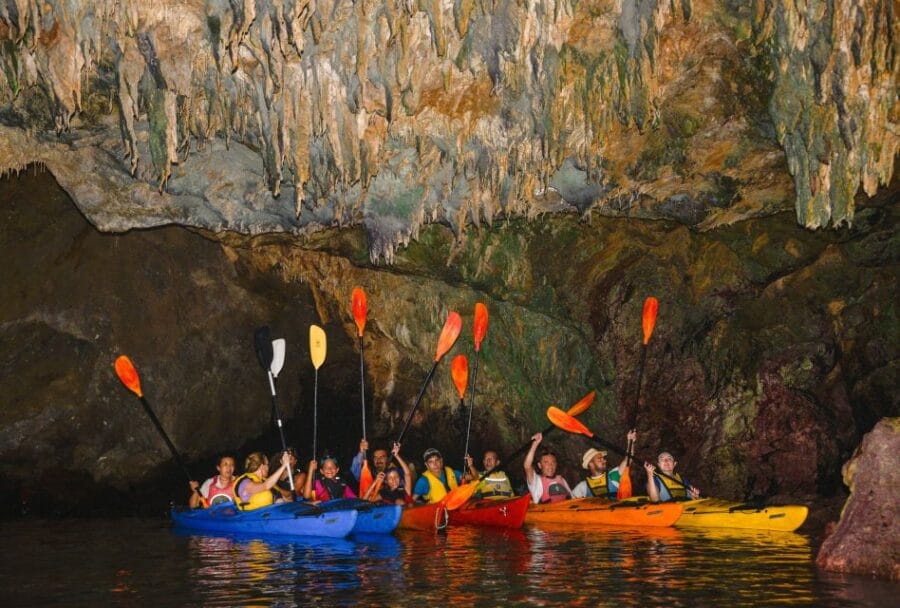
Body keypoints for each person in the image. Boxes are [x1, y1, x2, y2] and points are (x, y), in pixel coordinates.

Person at [571, 430, 637, 499]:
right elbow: (569, 503)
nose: (604, 460)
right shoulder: (582, 487)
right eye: (600, 458)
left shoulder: (613, 476)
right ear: (590, 464)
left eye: (603, 458)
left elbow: (628, 460)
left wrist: (630, 443)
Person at [524, 433, 573, 504]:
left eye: (553, 462)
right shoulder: (536, 481)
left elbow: (572, 498)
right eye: (546, 462)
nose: (550, 465)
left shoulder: (561, 479)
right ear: (540, 465)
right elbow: (527, 466)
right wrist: (535, 444)